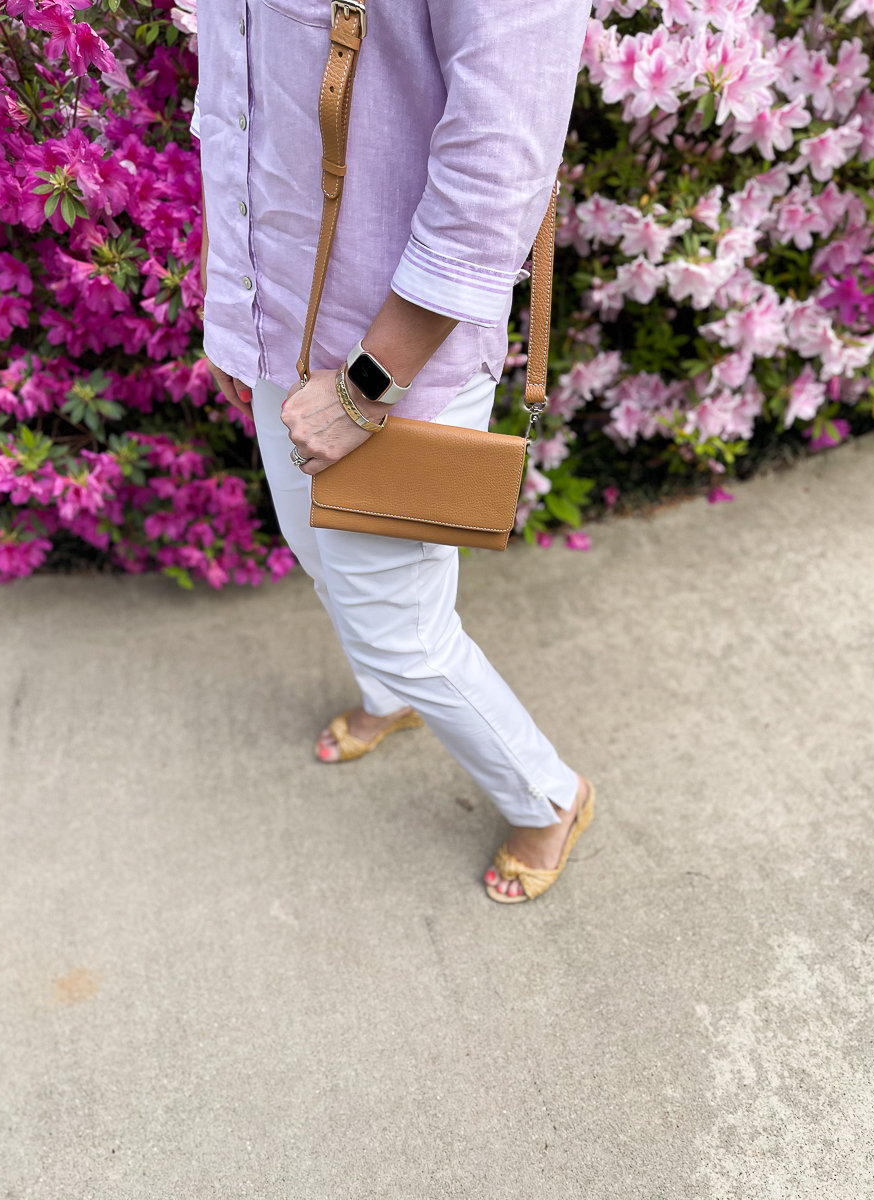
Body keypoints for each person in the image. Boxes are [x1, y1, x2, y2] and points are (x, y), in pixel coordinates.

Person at [194, 0, 594, 903]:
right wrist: (229, 300)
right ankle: (393, 698)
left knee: (403, 628)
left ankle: (547, 796)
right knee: (319, 554)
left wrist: (366, 386)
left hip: (389, 362)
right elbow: (233, 90)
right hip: (275, 315)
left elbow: (500, 160)